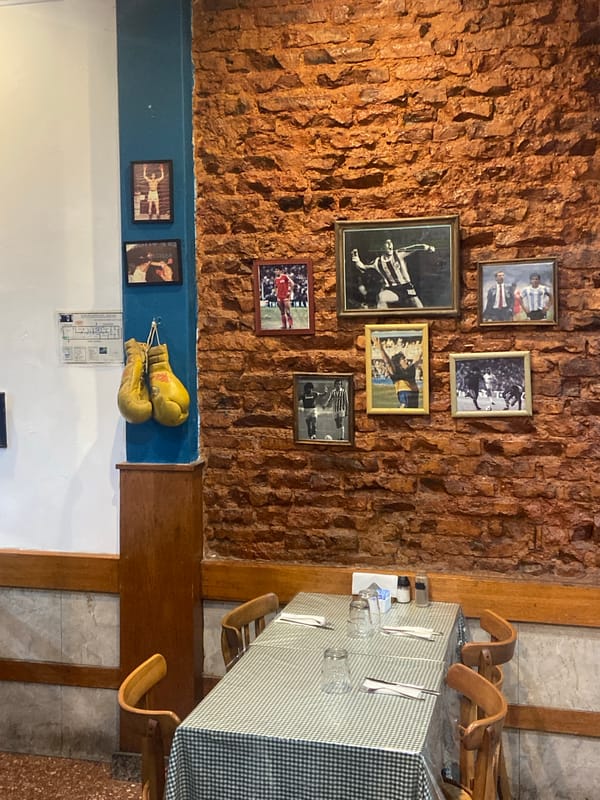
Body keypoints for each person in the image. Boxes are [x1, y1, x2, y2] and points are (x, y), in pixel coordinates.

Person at [351, 239, 435, 309]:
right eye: (387, 243)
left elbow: (415, 247)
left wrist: (427, 247)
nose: (390, 245)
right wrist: (357, 261)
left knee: (419, 309)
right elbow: (363, 268)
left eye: (390, 243)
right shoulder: (377, 262)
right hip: (392, 290)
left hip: (406, 287)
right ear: (381, 247)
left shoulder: (398, 253)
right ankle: (382, 323)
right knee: (381, 297)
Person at [380, 342, 422, 408]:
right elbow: (388, 362)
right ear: (398, 363)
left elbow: (418, 356)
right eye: (403, 359)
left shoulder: (411, 369)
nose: (406, 360)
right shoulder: (395, 373)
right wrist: (381, 349)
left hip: (414, 405)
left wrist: (425, 344)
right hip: (404, 405)